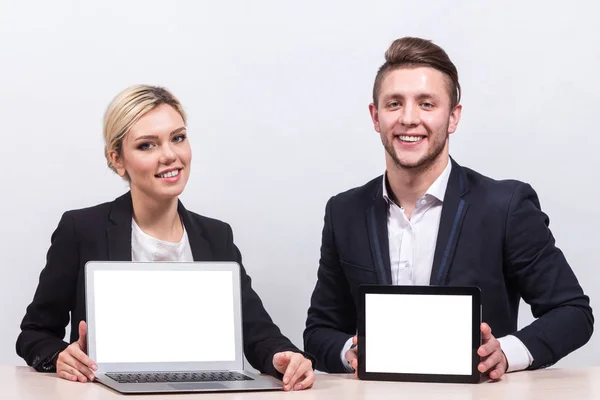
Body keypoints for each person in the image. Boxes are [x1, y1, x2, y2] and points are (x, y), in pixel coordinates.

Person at [304, 37, 593, 380]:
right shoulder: (344, 212)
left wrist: (507, 353)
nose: (409, 119)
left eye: (427, 104)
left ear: (453, 117)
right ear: (376, 116)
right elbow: (319, 331)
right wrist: (348, 352)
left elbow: (573, 313)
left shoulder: (505, 206)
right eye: (394, 104)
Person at [17, 85, 315, 392]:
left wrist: (285, 356)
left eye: (178, 138)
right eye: (147, 145)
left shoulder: (216, 236)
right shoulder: (82, 228)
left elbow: (257, 330)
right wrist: (60, 356)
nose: (170, 155)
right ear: (117, 159)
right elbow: (35, 333)